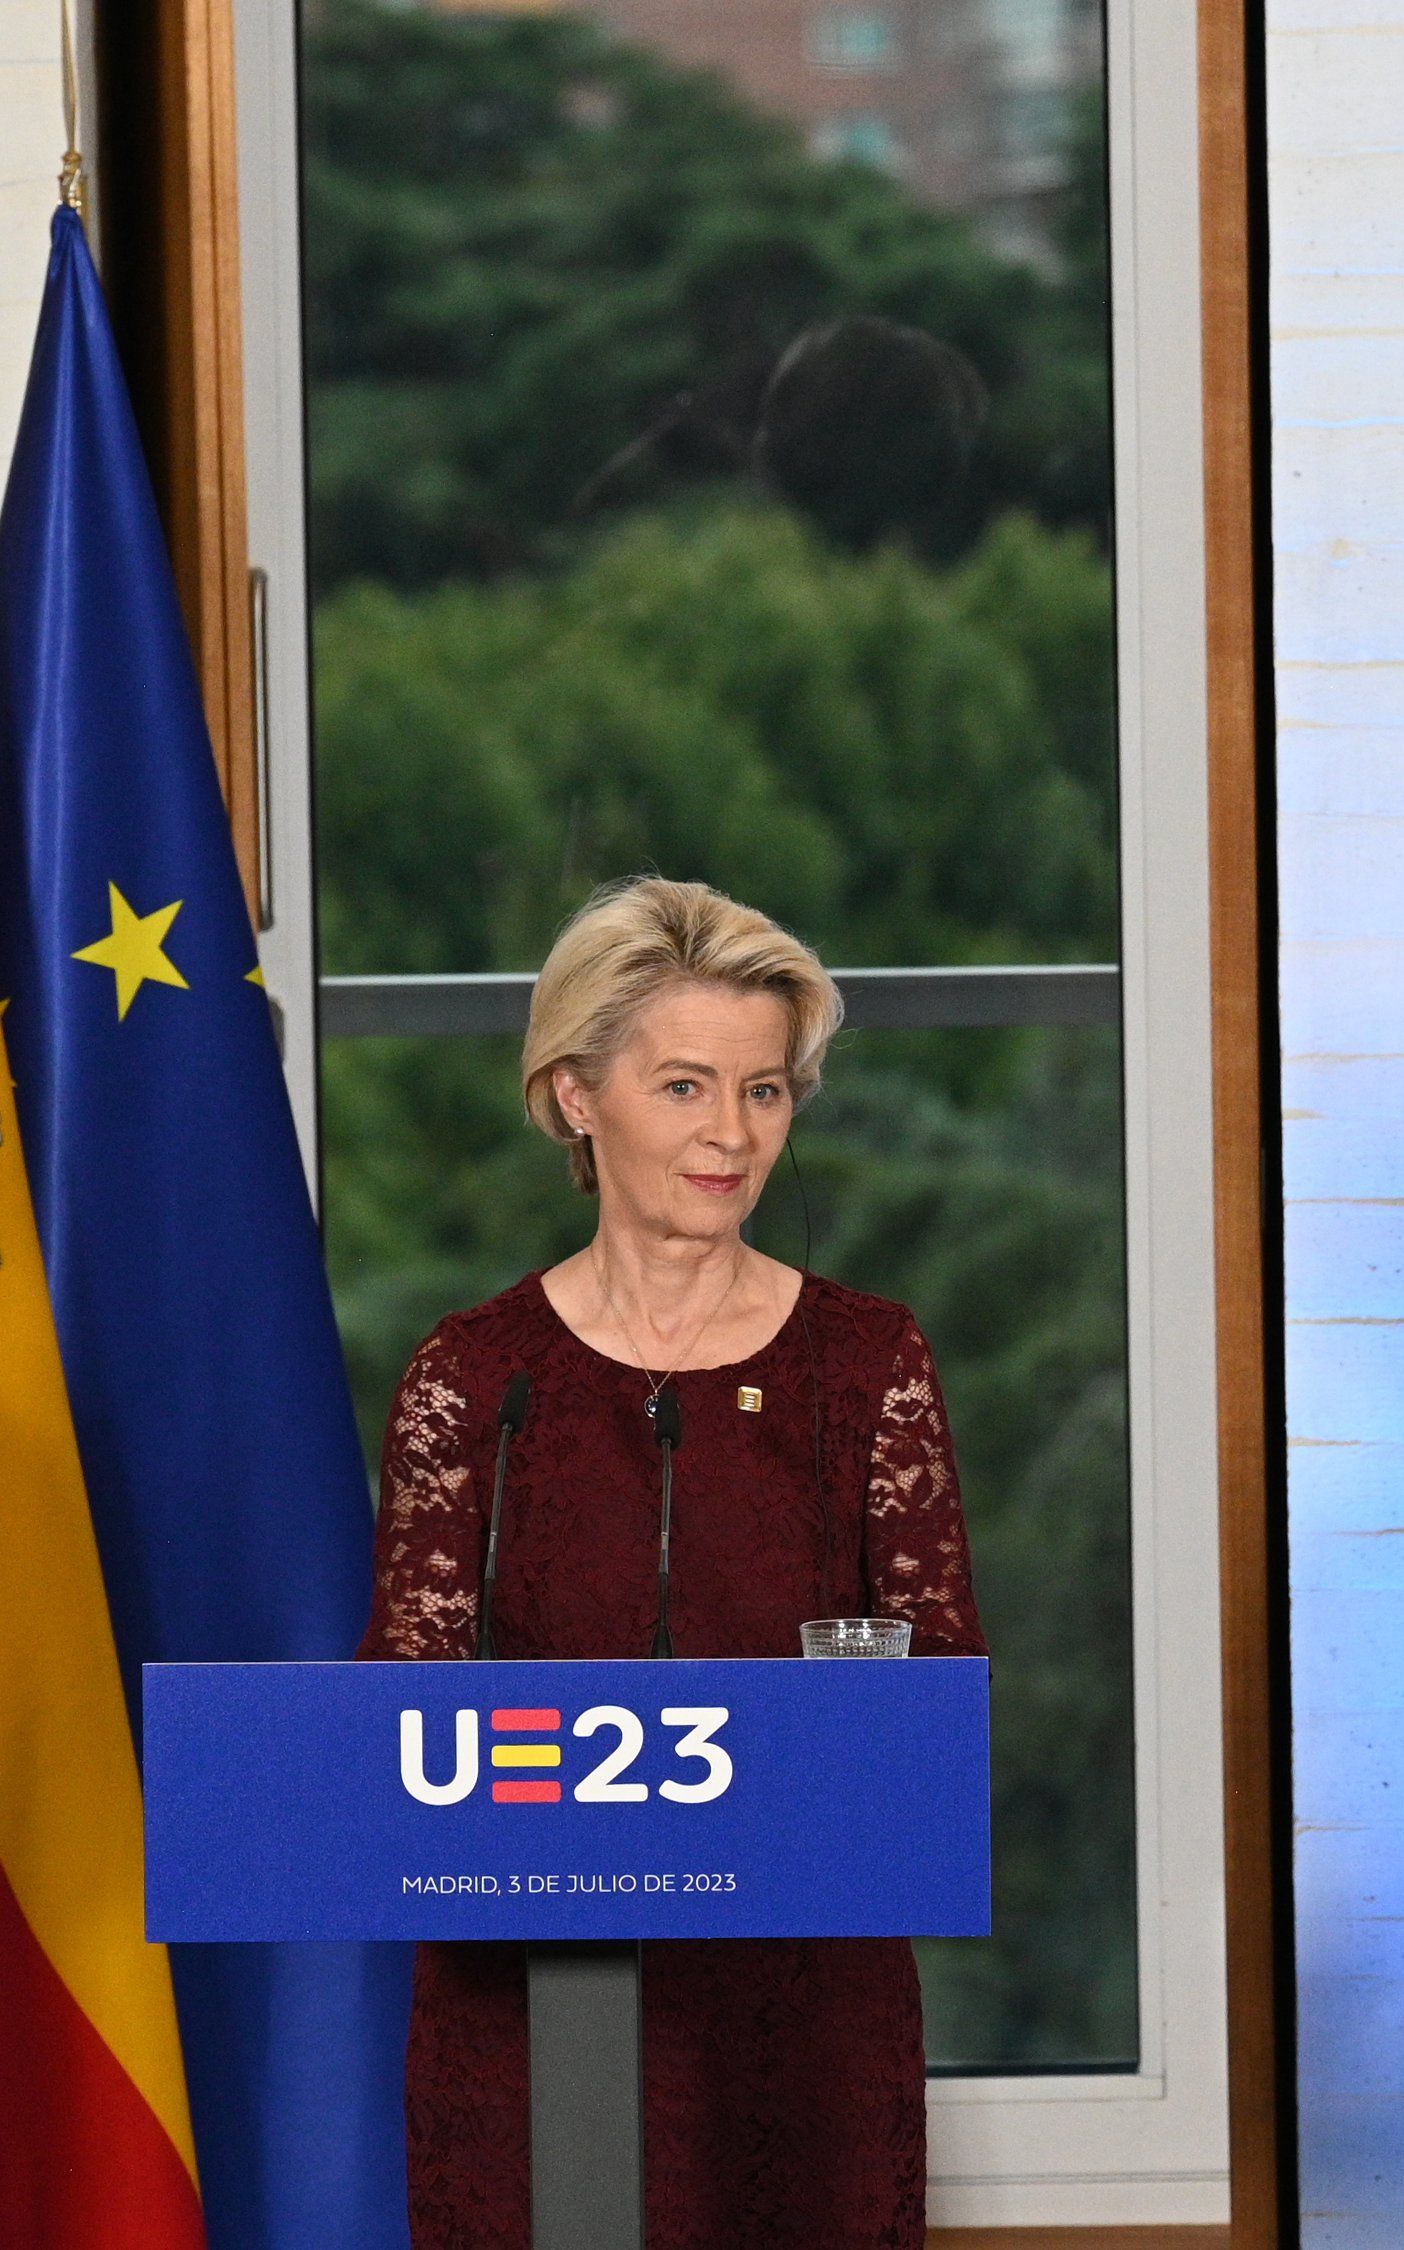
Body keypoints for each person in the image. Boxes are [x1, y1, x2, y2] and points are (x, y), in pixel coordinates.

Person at [355, 875, 985, 2248]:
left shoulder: (867, 1365)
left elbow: (933, 1704)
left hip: (802, 2035)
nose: (733, 1133)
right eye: (687, 1085)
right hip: (522, 2024)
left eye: (765, 1091)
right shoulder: (476, 1379)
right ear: (579, 1096)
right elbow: (397, 1729)